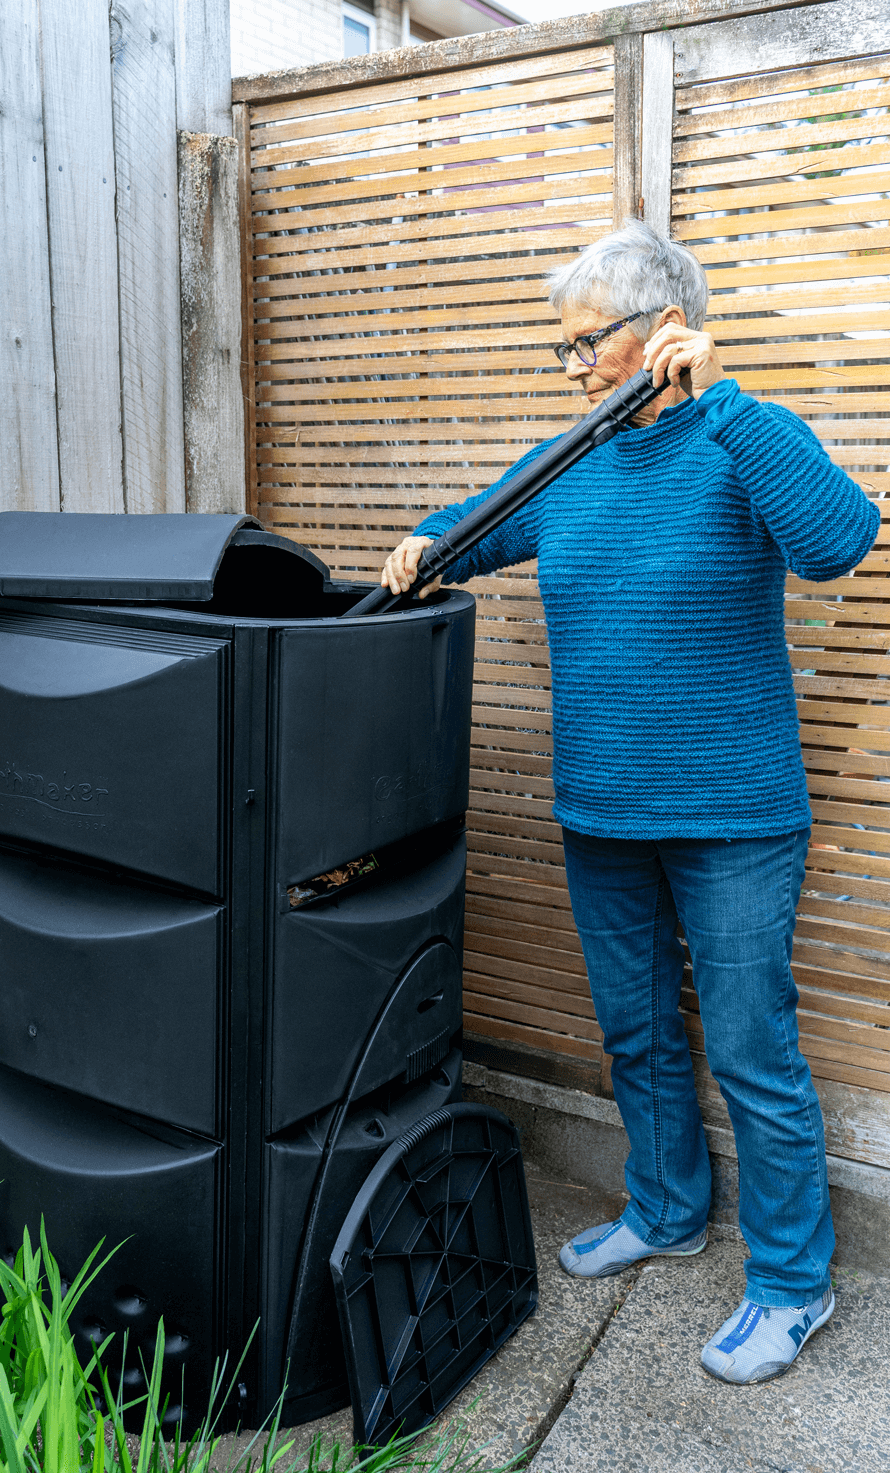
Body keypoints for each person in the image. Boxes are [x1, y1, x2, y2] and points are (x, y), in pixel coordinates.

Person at [380, 219, 879, 1386]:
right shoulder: (573, 462)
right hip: (602, 810)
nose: (570, 367)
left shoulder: (743, 437)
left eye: (581, 344)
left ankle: (794, 1285)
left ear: (659, 328)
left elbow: (838, 541)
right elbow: (475, 528)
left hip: (735, 817)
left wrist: (728, 403)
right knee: (638, 1031)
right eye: (562, 348)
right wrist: (423, 542)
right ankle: (664, 1211)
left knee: (754, 1052)